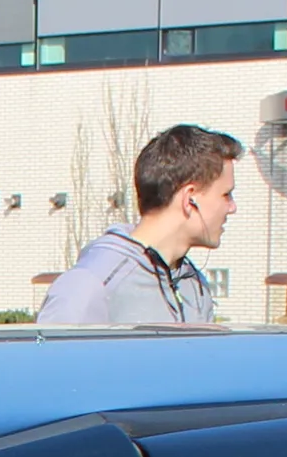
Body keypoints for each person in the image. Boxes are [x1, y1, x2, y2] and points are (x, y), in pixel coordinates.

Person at [37, 124, 243, 325]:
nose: (232, 207)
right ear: (190, 199)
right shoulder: (91, 284)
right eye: (226, 195)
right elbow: (50, 359)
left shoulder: (194, 285)